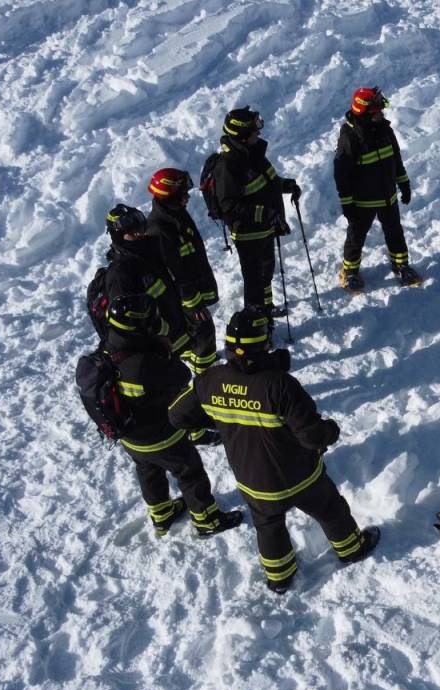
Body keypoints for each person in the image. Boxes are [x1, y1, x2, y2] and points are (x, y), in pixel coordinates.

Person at [168, 309, 380, 593]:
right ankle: (351, 548)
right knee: (330, 509)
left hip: (253, 482)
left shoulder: (209, 380)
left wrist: (223, 419)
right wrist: (332, 430)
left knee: (269, 528)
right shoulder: (280, 385)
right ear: (263, 343)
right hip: (301, 477)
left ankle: (280, 578)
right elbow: (312, 436)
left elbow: (177, 416)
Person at [103, 293, 242, 537]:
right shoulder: (142, 364)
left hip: (130, 437)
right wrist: (164, 350)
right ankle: (207, 520)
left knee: (148, 471)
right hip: (160, 435)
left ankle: (162, 515)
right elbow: (180, 375)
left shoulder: (110, 347)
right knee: (189, 471)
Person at [213, 106, 301, 313]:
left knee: (266, 271)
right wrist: (264, 213)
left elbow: (268, 181)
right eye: (254, 130)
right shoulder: (228, 165)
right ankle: (255, 321)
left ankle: (266, 307)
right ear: (242, 135)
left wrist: (286, 185)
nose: (258, 133)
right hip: (247, 232)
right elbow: (229, 205)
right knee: (254, 279)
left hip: (265, 227)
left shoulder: (254, 153)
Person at [333, 86, 419, 292]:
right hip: (363, 201)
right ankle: (350, 271)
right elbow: (342, 175)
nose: (381, 113)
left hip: (388, 196)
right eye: (377, 110)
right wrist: (347, 203)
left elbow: (395, 159)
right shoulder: (350, 136)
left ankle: (401, 265)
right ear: (364, 113)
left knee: (395, 232)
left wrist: (404, 183)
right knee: (356, 236)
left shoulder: (385, 130)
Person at [146, 168, 219, 374]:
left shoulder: (175, 214)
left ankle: (198, 361)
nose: (187, 197)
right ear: (170, 196)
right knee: (204, 333)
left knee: (195, 334)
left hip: (193, 290)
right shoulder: (160, 228)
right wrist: (194, 304)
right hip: (186, 297)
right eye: (182, 194)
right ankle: (206, 375)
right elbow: (174, 272)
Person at [103, 204, 190, 360]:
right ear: (118, 236)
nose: (139, 235)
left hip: (178, 333)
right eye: (133, 232)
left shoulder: (151, 249)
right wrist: (157, 345)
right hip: (159, 346)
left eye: (141, 230)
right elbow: (128, 322)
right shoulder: (120, 274)